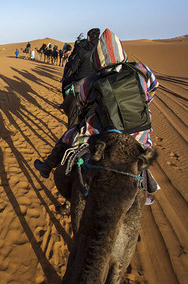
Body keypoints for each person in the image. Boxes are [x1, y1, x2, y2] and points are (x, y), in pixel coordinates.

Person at [34, 29, 159, 202]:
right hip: (138, 130)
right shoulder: (140, 70)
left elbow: (83, 105)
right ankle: (145, 187)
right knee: (140, 151)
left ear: (97, 59)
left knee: (69, 135)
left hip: (102, 132)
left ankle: (47, 166)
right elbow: (153, 88)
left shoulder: (90, 81)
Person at [61, 28, 100, 98]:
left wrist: (66, 77)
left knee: (65, 83)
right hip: (97, 76)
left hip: (81, 76)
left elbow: (73, 67)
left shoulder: (81, 49)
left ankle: (65, 103)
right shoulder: (100, 49)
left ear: (88, 37)